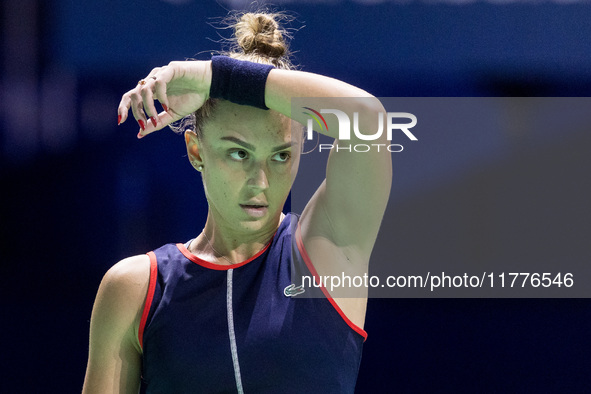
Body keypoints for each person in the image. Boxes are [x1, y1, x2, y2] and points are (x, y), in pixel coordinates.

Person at [83, 11, 391, 394]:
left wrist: (215, 78)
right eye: (238, 154)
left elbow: (368, 119)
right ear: (196, 151)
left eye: (281, 156)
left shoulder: (327, 250)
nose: (260, 181)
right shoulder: (134, 290)